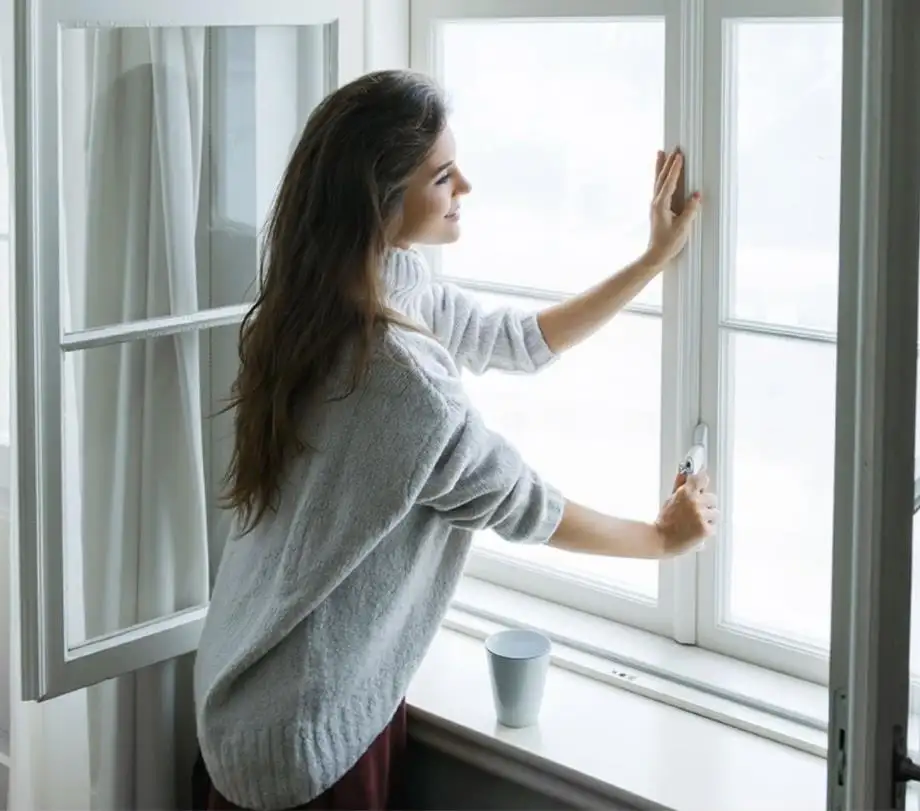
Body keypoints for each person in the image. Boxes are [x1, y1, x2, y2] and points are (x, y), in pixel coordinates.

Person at [193, 68, 718, 811]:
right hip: (301, 740)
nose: (464, 186)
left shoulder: (337, 287)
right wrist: (662, 538)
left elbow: (511, 339)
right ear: (381, 199)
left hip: (245, 691)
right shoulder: (400, 383)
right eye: (442, 176)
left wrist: (651, 261)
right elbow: (524, 504)